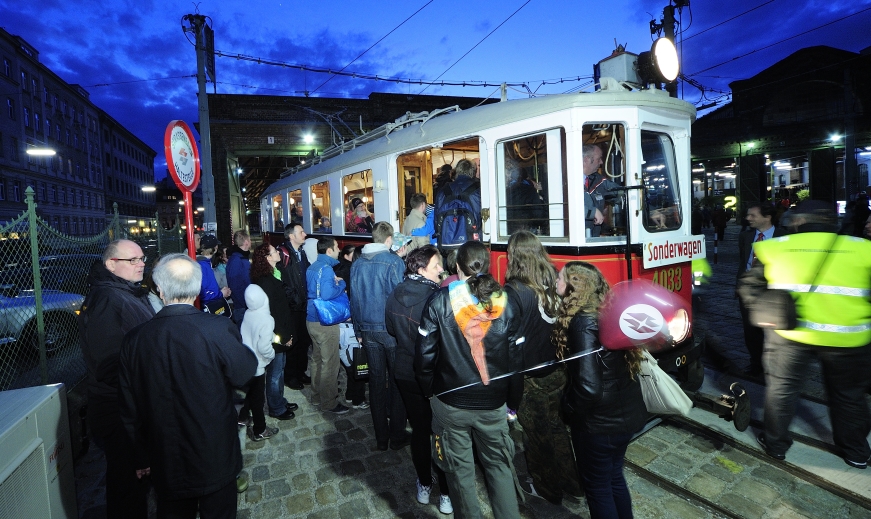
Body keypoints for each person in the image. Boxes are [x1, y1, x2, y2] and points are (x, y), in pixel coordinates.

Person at [118, 253, 257, 519]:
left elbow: (129, 407)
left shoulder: (135, 340)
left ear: (160, 290)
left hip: (165, 456)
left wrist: (139, 457)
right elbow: (245, 372)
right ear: (195, 288)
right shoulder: (217, 328)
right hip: (214, 453)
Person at [738, 200, 871, 468]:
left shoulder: (773, 248)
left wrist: (763, 312)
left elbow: (749, 288)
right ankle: (855, 451)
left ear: (797, 221)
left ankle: (776, 445)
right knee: (848, 396)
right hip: (849, 338)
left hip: (789, 337)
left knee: (782, 391)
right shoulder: (864, 249)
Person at [415, 240, 523, 519]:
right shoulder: (506, 302)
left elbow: (424, 357)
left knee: (459, 472)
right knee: (499, 468)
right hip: (493, 403)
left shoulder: (440, 301)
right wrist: (512, 404)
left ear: (457, 267)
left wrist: (430, 393)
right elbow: (516, 363)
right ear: (485, 265)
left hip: (451, 402)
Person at [555, 261, 646, 519]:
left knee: (598, 487)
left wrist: (568, 408)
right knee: (614, 477)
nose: (556, 283)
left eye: (560, 278)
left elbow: (588, 387)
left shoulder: (583, 322)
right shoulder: (606, 310)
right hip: (623, 415)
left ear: (575, 285)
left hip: (600, 424)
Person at [503, 231, 582, 505]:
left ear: (515, 256)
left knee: (536, 436)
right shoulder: (555, 279)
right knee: (557, 427)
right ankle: (573, 483)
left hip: (531, 376)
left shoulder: (514, 291)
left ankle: (548, 489)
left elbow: (508, 339)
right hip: (557, 369)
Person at [78, 239, 155, 519]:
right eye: (132, 260)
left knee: (134, 486)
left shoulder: (125, 292)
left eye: (142, 258)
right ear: (111, 264)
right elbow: (110, 367)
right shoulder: (107, 301)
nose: (141, 264)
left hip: (131, 408)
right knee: (127, 488)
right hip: (120, 412)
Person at [385, 245, 452, 515]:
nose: (442, 269)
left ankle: (424, 486)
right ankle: (446, 493)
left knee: (420, 431)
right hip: (432, 375)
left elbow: (391, 328)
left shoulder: (396, 291)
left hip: (405, 371)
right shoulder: (436, 297)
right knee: (441, 434)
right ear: (422, 268)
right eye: (437, 265)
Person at [350, 221, 409, 450]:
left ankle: (381, 438)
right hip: (390, 331)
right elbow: (400, 300)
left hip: (368, 330)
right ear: (388, 240)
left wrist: (358, 330)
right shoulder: (393, 261)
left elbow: (354, 299)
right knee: (396, 381)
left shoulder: (357, 264)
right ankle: (396, 435)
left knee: (375, 383)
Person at [250, 243, 299, 420]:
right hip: (275, 334)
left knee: (280, 370)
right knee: (274, 373)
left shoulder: (270, 276)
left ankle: (280, 400)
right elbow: (274, 313)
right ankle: (276, 407)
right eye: (274, 252)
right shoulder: (266, 281)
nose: (278, 252)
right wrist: (283, 336)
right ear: (268, 258)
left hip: (279, 332)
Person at [736, 203, 784, 378]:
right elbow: (743, 262)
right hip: (748, 292)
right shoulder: (745, 236)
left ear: (767, 217)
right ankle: (756, 363)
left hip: (773, 291)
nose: (748, 218)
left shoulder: (784, 237)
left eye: (753, 215)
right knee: (750, 331)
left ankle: (774, 365)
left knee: (773, 331)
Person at [306, 236, 350, 414]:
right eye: (337, 248)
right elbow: (326, 294)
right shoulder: (326, 270)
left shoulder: (312, 266)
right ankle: (329, 402)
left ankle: (316, 396)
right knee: (330, 363)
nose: (339, 250)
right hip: (324, 322)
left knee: (316, 360)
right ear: (329, 251)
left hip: (311, 319)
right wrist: (342, 285)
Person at [239, 283, 279, 441]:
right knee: (257, 399)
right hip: (258, 364)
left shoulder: (249, 313)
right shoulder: (266, 319)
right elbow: (264, 346)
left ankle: (242, 417)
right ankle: (260, 430)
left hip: (246, 360)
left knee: (248, 393)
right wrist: (271, 355)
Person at [276, 223, 312, 390]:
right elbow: (280, 281)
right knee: (293, 342)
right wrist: (294, 298)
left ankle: (300, 371)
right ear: (291, 236)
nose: (305, 234)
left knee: (304, 340)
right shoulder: (283, 254)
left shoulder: (300, 252)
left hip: (303, 304)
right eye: (301, 232)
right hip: (292, 306)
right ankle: (290, 376)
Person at [333, 244, 368, 408]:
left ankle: (350, 395)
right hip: (349, 325)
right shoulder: (353, 273)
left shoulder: (342, 270)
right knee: (356, 362)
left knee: (350, 362)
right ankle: (357, 399)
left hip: (343, 325)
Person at [434, 158, 482, 249]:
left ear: (456, 171)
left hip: (447, 243)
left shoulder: (444, 190)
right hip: (472, 243)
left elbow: (436, 218)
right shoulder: (478, 188)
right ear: (473, 172)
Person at [582, 144, 618, 237]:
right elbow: (566, 208)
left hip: (594, 239)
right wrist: (592, 212)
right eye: (599, 159)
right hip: (576, 240)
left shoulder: (599, 181)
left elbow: (622, 194)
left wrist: (650, 210)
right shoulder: (566, 182)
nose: (601, 162)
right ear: (586, 160)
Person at [226, 230, 253, 324]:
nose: (251, 242)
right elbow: (235, 285)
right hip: (242, 307)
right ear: (246, 242)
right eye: (249, 240)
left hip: (246, 304)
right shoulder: (236, 260)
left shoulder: (241, 258)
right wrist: (246, 303)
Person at [198, 234, 231, 307]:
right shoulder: (203, 265)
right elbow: (203, 293)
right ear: (215, 248)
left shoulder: (204, 263)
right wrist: (221, 293)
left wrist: (220, 291)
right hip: (207, 307)